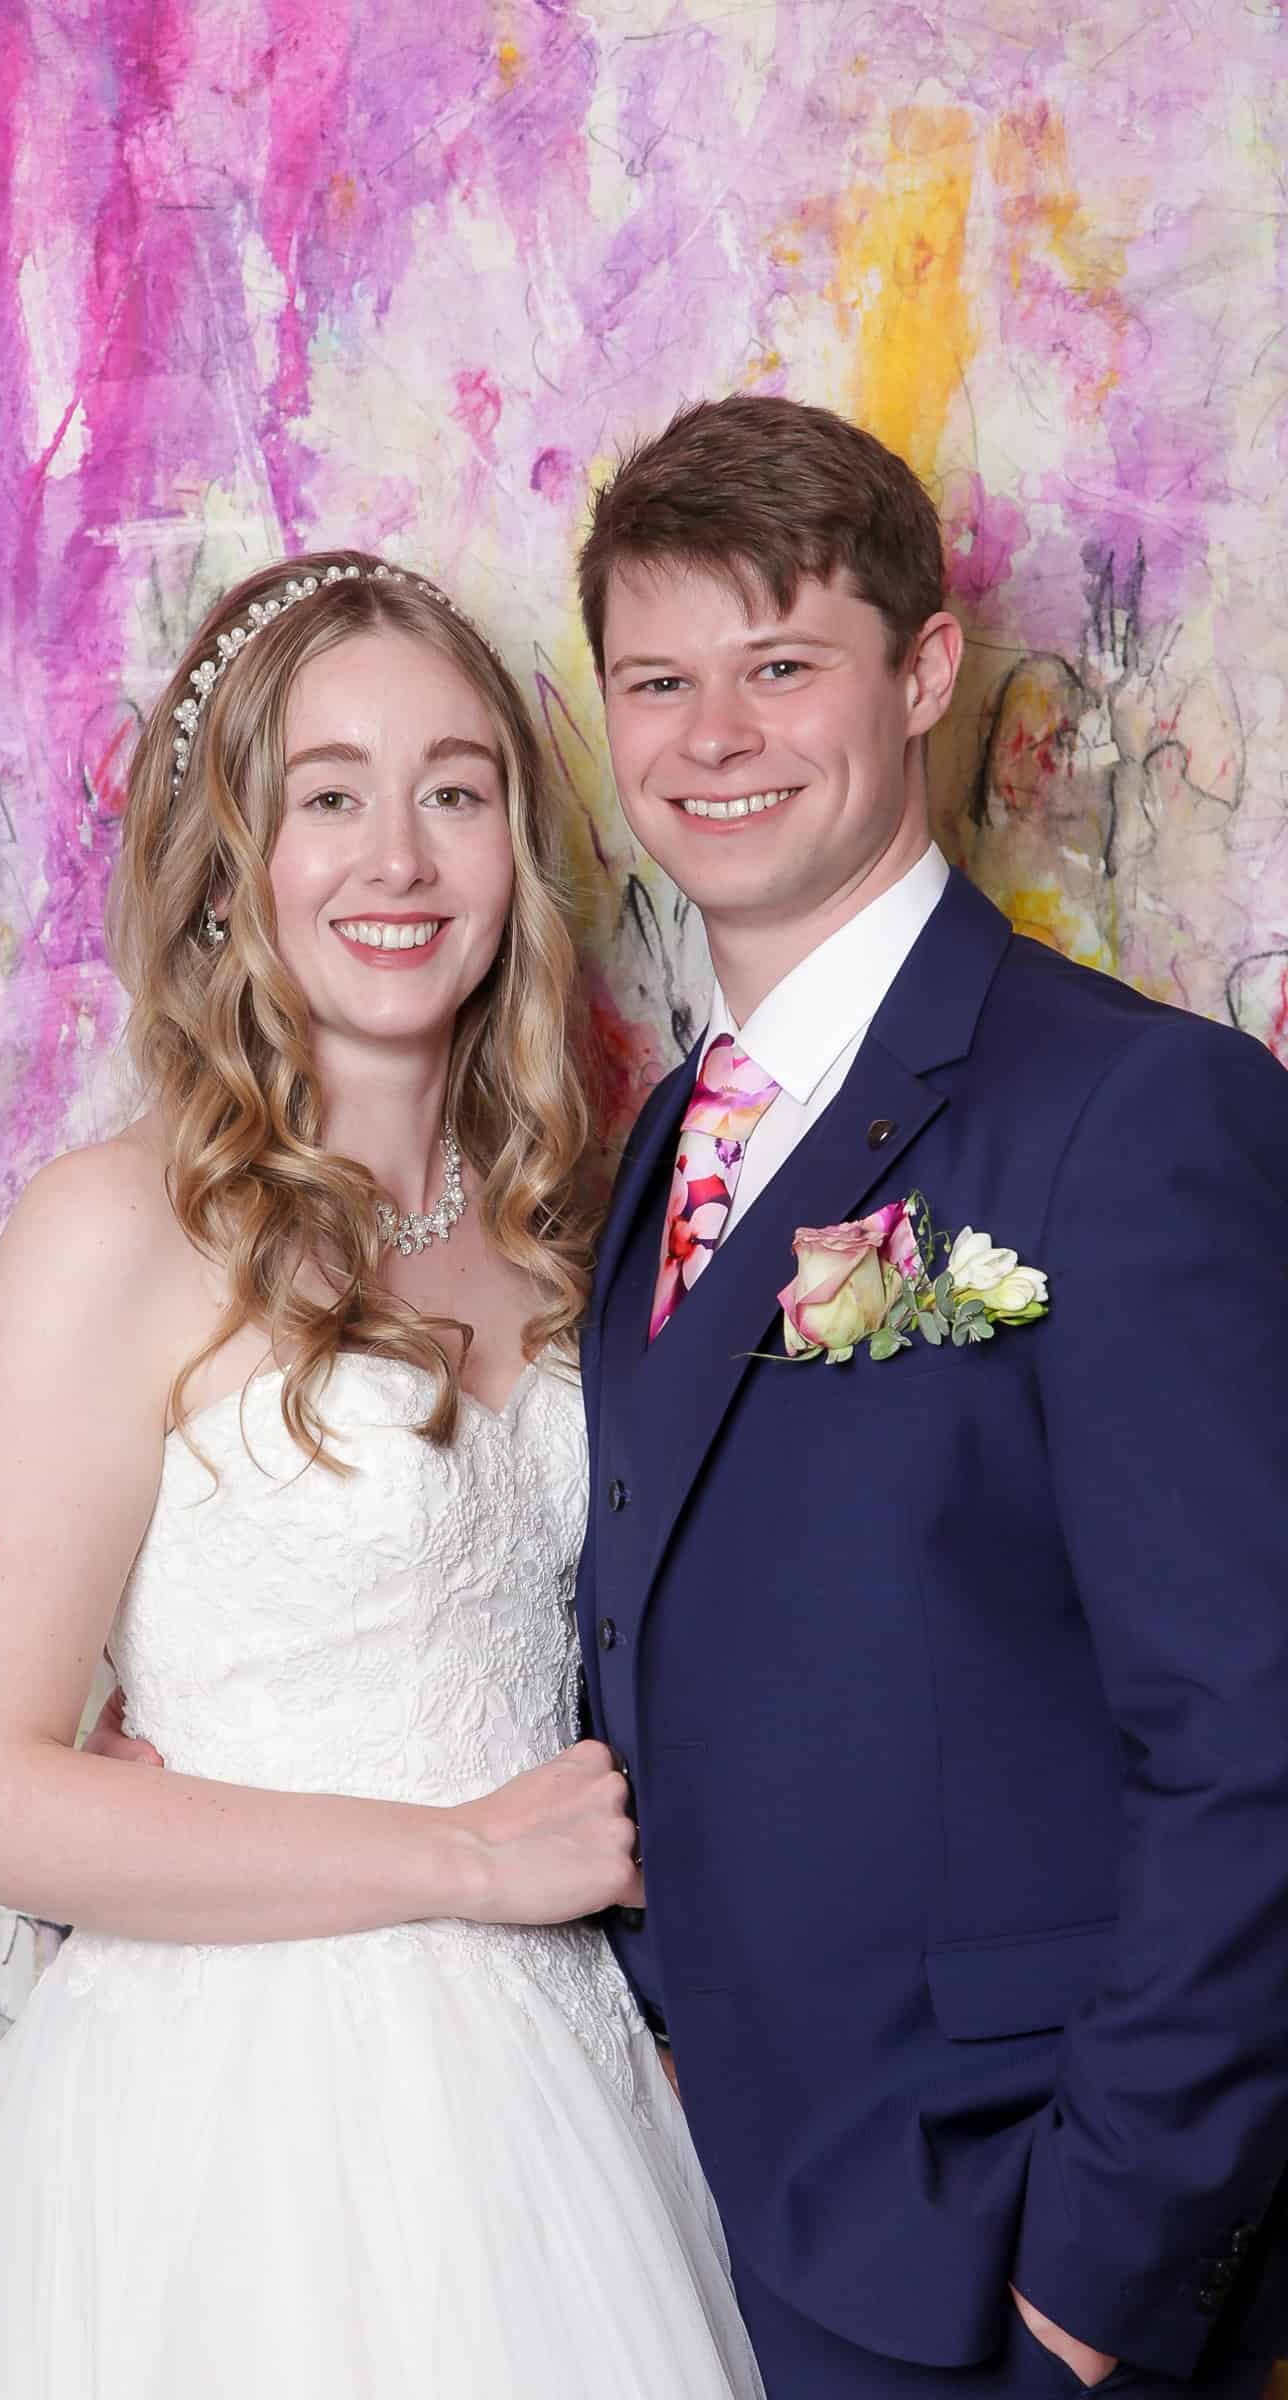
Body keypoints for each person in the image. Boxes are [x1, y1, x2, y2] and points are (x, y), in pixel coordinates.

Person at [0, 554, 763, 2398]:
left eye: (454, 791)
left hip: (564, 2093)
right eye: (328, 796)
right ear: (235, 860)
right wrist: (465, 1858)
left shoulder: (577, 1228)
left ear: (516, 851)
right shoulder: (121, 1228)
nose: (396, 859)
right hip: (236, 2115)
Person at [572, 395, 1288, 2398]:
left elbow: (1252, 1743)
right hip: (691, 2227)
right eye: (657, 679)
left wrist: (1097, 2278)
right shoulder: (657, 1147)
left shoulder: (1133, 1116)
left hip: (993, 2264)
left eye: (778, 665)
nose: (711, 735)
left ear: (922, 674)